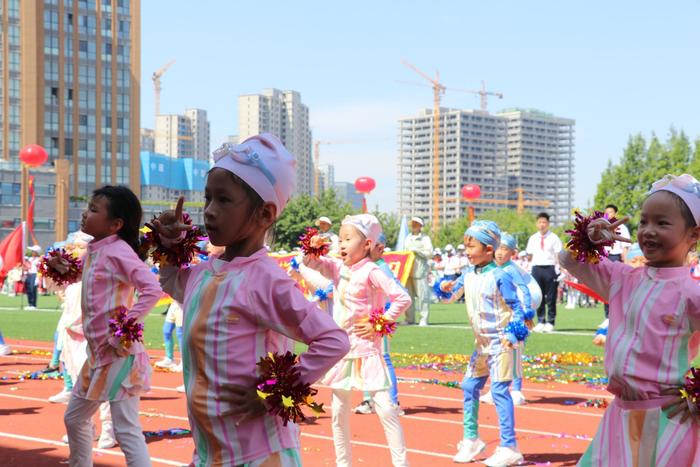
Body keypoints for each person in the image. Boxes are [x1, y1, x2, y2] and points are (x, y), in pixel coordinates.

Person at [153, 134, 350, 466]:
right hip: (210, 453)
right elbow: (172, 281)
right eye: (208, 198)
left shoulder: (266, 279)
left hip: (260, 454)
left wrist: (275, 392)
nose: (210, 211)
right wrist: (171, 246)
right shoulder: (203, 273)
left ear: (265, 214)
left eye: (224, 200)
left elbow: (333, 340)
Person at [561, 174, 700, 466]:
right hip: (619, 417)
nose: (648, 231)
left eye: (662, 223)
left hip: (666, 420)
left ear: (694, 235)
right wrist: (587, 237)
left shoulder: (691, 291)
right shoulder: (622, 277)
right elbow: (569, 260)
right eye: (643, 222)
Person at [47, 186, 163, 466]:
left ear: (115, 224)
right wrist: (61, 267)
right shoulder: (95, 250)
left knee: (126, 430)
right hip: (98, 356)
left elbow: (152, 290)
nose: (86, 213)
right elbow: (78, 274)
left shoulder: (119, 252)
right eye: (89, 207)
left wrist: (126, 326)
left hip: (119, 356)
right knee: (74, 417)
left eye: (94, 209)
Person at [304, 213, 411, 467]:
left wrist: (379, 322)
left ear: (366, 245)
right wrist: (313, 246)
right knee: (339, 414)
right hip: (342, 351)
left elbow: (402, 298)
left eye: (348, 239)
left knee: (385, 408)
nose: (341, 244)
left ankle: (401, 463)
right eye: (340, 239)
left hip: (367, 350)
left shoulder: (372, 271)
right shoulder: (336, 267)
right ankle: (343, 464)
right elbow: (308, 262)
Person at [441, 221, 526, 466]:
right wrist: (444, 288)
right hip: (480, 345)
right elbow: (449, 297)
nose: (466, 251)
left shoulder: (500, 276)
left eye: (471, 246)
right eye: (466, 246)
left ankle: (509, 446)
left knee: (499, 391)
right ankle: (471, 439)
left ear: (489, 249)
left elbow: (518, 308)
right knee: (469, 387)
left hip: (501, 343)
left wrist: (513, 334)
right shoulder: (468, 275)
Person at [480, 232, 540, 407]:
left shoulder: (511, 270)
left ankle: (516, 391)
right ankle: (496, 388)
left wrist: (527, 313)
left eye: (504, 249)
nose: (499, 253)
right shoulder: (492, 269)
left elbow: (525, 290)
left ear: (512, 252)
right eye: (497, 248)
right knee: (497, 353)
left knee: (515, 352)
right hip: (499, 317)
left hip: (514, 318)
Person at [354, 232, 405, 416]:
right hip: (365, 322)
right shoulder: (365, 267)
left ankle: (393, 401)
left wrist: (384, 318)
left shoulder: (381, 269)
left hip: (378, 320)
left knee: (383, 357)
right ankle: (369, 399)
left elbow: (399, 294)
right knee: (367, 358)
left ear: (380, 248)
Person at [526, 212, 563, 333]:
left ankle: (550, 322)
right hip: (536, 268)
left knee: (551, 297)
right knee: (538, 296)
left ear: (548, 224)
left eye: (544, 222)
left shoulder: (554, 238)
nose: (542, 225)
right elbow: (529, 255)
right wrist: (528, 267)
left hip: (550, 268)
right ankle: (541, 320)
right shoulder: (533, 238)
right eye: (540, 222)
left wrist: (559, 268)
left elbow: (558, 254)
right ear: (537, 224)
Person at [601, 204, 630, 324]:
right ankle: (607, 317)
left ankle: (619, 315)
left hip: (616, 258)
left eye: (611, 212)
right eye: (606, 213)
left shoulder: (622, 228)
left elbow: (625, 247)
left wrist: (625, 262)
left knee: (618, 288)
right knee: (606, 289)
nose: (608, 215)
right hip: (605, 258)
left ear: (615, 214)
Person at [404, 216, 433, 326]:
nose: (414, 226)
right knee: (408, 296)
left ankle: (423, 318)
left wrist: (417, 251)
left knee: (422, 296)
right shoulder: (408, 237)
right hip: (408, 271)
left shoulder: (425, 238)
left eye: (416, 224)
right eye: (413, 224)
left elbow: (429, 253)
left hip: (420, 271)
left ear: (420, 226)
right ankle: (409, 319)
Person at [154, 300, 183, 373]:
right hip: (173, 303)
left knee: (180, 333)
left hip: (182, 305)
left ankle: (184, 362)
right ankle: (169, 359)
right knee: (166, 331)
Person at [23, 244, 42, 309]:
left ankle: (33, 304)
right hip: (29, 274)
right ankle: (30, 304)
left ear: (36, 252)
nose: (32, 252)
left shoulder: (39, 259)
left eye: (33, 251)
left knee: (33, 289)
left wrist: (38, 277)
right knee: (28, 289)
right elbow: (26, 266)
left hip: (35, 274)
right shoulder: (29, 259)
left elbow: (40, 269)